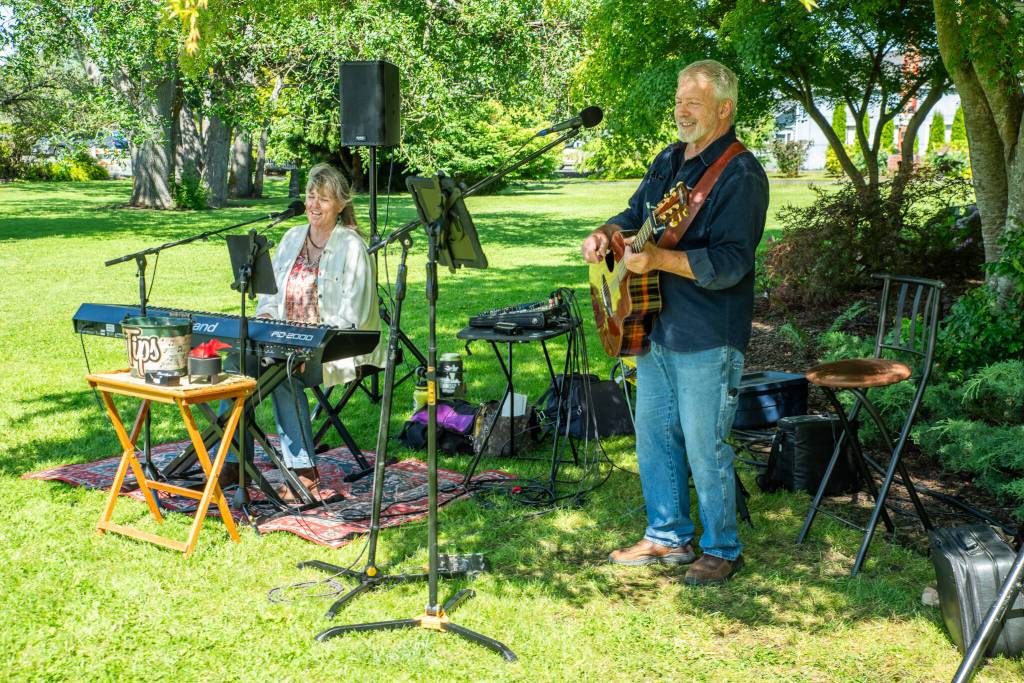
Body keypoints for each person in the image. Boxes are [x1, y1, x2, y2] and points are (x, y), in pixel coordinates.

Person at [581, 60, 768, 585]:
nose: (682, 111)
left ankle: (722, 547)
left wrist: (660, 260)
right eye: (680, 101)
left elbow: (732, 262)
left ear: (724, 110)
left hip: (707, 331)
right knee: (655, 437)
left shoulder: (741, 174)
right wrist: (605, 234)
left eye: (695, 103)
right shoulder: (668, 160)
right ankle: (667, 536)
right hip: (651, 321)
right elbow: (636, 214)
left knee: (704, 442)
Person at [221, 163, 385, 499]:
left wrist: (309, 346)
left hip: (335, 345)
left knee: (283, 372)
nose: (314, 204)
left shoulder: (352, 246)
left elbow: (356, 314)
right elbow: (269, 295)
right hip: (282, 340)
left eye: (323, 198)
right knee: (235, 365)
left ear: (340, 204)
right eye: (311, 196)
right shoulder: (292, 236)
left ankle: (302, 471)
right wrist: (266, 317)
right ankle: (235, 464)